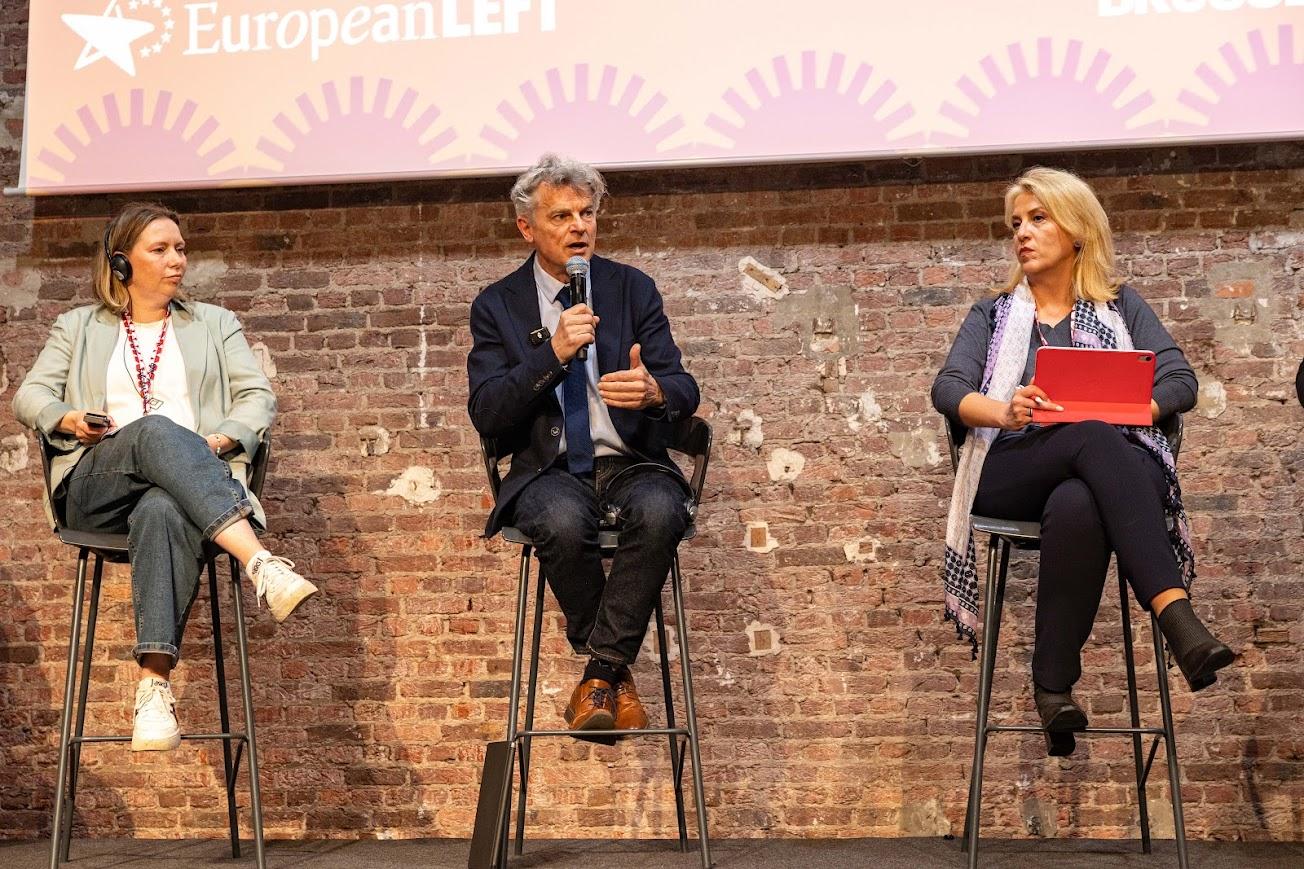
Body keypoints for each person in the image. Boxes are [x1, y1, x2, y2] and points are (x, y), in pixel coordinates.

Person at [931, 167, 1233, 756]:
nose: (1022, 233)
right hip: (1013, 466)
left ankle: (1053, 689)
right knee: (1091, 436)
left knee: (1079, 499)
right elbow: (948, 390)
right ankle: (1177, 619)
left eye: (1038, 218)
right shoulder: (991, 315)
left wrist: (1128, 408)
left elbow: (1180, 382)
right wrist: (1004, 411)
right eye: (1016, 223)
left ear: (1077, 231)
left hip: (1111, 470)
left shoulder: (1121, 307)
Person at [12, 202, 318, 752]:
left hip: (185, 491)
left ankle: (152, 688)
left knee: (162, 506)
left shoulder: (215, 324)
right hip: (97, 486)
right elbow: (29, 395)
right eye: (160, 249)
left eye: (180, 248)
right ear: (122, 263)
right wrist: (69, 418)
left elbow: (257, 397)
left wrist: (217, 441)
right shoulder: (78, 327)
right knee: (154, 430)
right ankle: (260, 563)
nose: (177, 259)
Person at [467, 154, 699, 737]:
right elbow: (487, 410)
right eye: (562, 216)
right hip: (549, 471)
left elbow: (683, 388)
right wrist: (552, 355)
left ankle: (598, 675)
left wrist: (654, 392)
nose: (579, 227)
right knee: (562, 522)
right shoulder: (497, 305)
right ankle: (614, 675)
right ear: (527, 228)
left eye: (587, 213)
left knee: (662, 510)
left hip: (632, 460)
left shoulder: (631, 288)